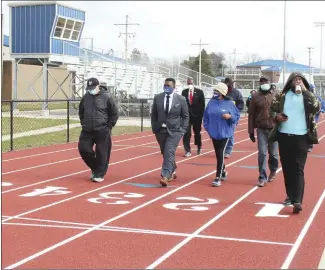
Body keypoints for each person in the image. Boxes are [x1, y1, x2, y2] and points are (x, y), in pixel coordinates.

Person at [269, 72, 320, 214]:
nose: (297, 81)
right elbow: (271, 111)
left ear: (303, 82)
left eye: (300, 80)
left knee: (298, 168)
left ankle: (297, 200)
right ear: (290, 82)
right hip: (284, 136)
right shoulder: (282, 96)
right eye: (295, 79)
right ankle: (290, 196)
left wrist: (306, 91)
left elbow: (317, 107)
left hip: (302, 137)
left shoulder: (308, 96)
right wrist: (277, 116)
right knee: (287, 168)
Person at [78, 77, 119, 183]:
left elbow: (114, 113)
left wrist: (109, 126)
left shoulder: (107, 96)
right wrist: (83, 123)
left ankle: (99, 174)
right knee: (83, 149)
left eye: (92, 88)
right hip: (87, 129)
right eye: (89, 88)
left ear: (98, 86)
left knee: (102, 152)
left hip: (102, 129)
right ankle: (96, 168)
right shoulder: (85, 97)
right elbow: (81, 111)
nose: (90, 90)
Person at [151, 77, 189, 187]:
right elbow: (154, 114)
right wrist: (154, 127)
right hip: (160, 130)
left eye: (168, 86)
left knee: (169, 151)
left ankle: (165, 176)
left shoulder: (181, 99)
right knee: (165, 152)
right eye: (165, 85)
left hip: (175, 131)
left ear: (174, 87)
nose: (166, 87)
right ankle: (172, 169)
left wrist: (182, 130)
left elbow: (186, 116)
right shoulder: (158, 98)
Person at [203, 82, 240, 187]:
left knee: (220, 153)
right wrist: (208, 128)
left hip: (225, 133)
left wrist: (230, 117)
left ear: (222, 93)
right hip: (214, 133)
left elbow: (236, 118)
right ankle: (223, 171)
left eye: (217, 91)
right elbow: (206, 117)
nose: (215, 93)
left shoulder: (230, 103)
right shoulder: (211, 103)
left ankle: (217, 177)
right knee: (218, 154)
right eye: (215, 91)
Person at [248, 76, 278, 187]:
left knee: (273, 154)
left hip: (274, 129)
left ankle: (273, 170)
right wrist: (250, 131)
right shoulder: (255, 96)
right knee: (262, 153)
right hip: (261, 129)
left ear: (269, 83)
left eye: (266, 81)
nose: (264, 83)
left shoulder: (276, 95)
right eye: (262, 82)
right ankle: (262, 176)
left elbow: (282, 111)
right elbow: (251, 114)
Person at [182, 78, 205, 156]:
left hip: (197, 116)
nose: (190, 85)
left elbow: (202, 105)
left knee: (197, 133)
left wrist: (201, 116)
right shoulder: (184, 92)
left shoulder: (199, 92)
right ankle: (187, 150)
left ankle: (199, 146)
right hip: (187, 116)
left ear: (193, 83)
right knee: (186, 133)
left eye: (191, 83)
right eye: (188, 83)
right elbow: (182, 104)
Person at [223, 77, 244, 158]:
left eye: (229, 85)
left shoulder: (236, 93)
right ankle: (222, 149)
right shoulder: (222, 92)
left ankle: (228, 151)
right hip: (222, 116)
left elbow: (241, 103)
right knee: (222, 133)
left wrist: (235, 113)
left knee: (230, 134)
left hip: (232, 116)